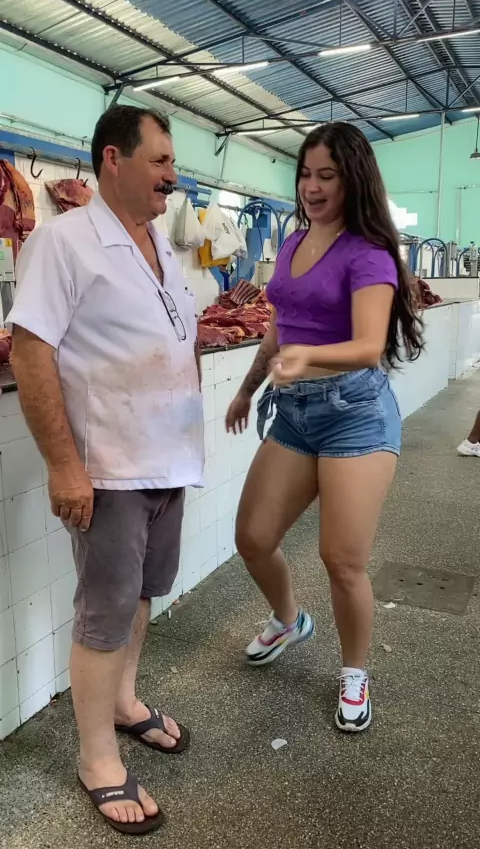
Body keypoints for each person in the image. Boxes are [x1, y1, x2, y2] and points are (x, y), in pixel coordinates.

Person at [9, 106, 204, 835]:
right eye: (160, 161)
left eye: (172, 161)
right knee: (104, 614)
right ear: (113, 160)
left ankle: (123, 702)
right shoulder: (64, 242)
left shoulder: (160, 244)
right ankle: (96, 758)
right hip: (110, 470)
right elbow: (31, 351)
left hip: (167, 464)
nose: (172, 175)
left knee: (143, 596)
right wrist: (64, 465)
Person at [226, 122, 424, 733]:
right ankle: (290, 621)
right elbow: (279, 325)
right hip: (294, 412)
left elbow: (368, 346)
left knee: (342, 560)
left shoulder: (368, 254)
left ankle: (355, 673)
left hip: (355, 415)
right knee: (253, 537)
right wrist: (247, 388)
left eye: (326, 176)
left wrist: (308, 356)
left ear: (352, 180)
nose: (311, 187)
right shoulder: (293, 242)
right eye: (306, 174)